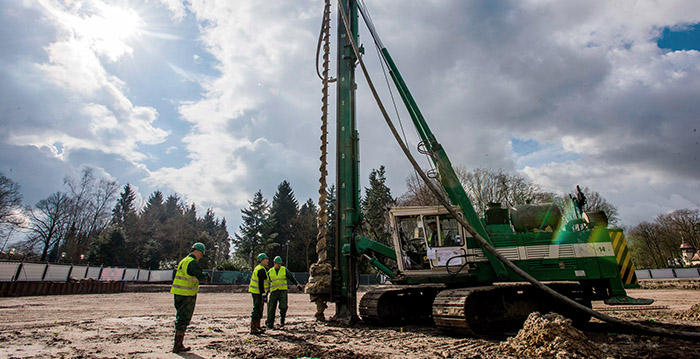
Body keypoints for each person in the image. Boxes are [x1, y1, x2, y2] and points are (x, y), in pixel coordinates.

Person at [170, 242, 211, 353]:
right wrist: (206, 276)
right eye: (201, 254)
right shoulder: (192, 263)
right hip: (186, 294)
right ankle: (178, 345)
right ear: (197, 251)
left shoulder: (184, 261)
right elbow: (199, 274)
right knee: (183, 318)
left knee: (180, 317)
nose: (201, 256)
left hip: (178, 293)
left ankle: (178, 343)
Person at [266, 256, 303, 329]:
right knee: (271, 308)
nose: (279, 265)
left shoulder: (284, 270)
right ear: (274, 263)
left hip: (283, 291)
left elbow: (291, 277)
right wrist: (265, 291)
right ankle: (270, 324)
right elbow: (266, 281)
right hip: (273, 291)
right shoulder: (270, 271)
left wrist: (297, 284)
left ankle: (282, 320)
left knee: (283, 307)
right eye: (278, 263)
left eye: (280, 264)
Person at [248, 252, 270, 334]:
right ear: (261, 260)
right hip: (258, 293)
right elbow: (261, 283)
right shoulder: (261, 269)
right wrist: (263, 294)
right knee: (257, 309)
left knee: (259, 309)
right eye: (266, 259)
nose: (267, 261)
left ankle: (257, 326)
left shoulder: (260, 268)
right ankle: (254, 327)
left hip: (256, 292)